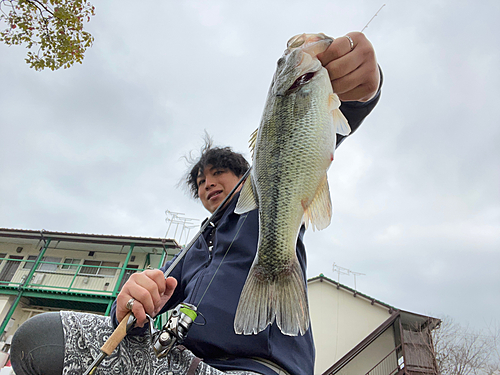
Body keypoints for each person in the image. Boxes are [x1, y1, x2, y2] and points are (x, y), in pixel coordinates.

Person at [10, 31, 381, 375]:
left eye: (217, 173)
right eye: (201, 182)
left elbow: (317, 129)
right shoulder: (188, 254)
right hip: (182, 362)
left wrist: (365, 87)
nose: (208, 185)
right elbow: (139, 324)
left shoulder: (267, 197)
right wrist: (128, 304)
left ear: (245, 175)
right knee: (36, 340)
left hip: (260, 369)